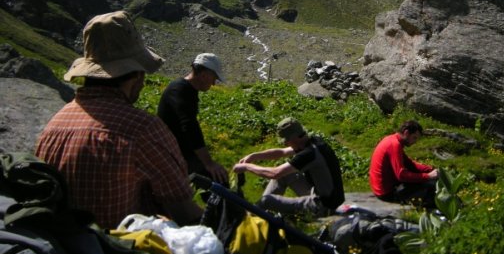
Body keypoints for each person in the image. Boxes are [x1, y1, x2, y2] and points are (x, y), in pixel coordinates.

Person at [35, 11, 202, 229]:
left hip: (61, 251)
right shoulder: (142, 129)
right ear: (136, 76)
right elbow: (183, 211)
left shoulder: (55, 123)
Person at [232, 117, 345, 217]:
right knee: (286, 175)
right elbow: (281, 152)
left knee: (267, 200)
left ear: (294, 138)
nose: (285, 144)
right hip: (326, 196)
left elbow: (275, 173)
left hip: (323, 206)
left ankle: (251, 218)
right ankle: (262, 212)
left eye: (286, 140)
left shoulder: (309, 154)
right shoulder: (312, 142)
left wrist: (247, 167)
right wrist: (254, 156)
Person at [157, 53, 229, 185]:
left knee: (214, 180)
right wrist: (208, 163)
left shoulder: (186, 89)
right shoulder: (180, 90)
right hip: (171, 154)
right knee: (216, 180)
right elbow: (189, 126)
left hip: (177, 151)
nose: (213, 83)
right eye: (214, 78)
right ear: (204, 75)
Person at [369, 119, 439, 208]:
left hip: (381, 188)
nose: (415, 141)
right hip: (387, 193)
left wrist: (429, 169)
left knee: (427, 180)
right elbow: (401, 175)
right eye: (414, 137)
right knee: (430, 185)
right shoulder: (395, 145)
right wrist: (428, 176)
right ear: (406, 133)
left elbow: (409, 164)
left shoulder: (392, 139)